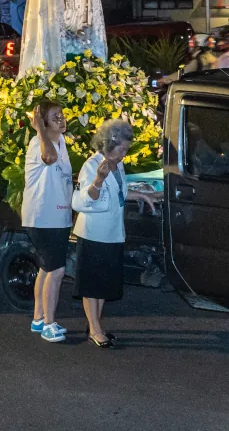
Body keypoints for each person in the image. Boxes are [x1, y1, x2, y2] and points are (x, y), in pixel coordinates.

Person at [72, 120, 155, 349]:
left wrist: (140, 195)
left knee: (102, 283)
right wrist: (98, 179)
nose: (124, 154)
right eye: (122, 149)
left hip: (111, 232)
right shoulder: (93, 165)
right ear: (109, 144)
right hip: (94, 232)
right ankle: (95, 329)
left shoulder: (117, 165)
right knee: (91, 284)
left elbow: (119, 192)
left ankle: (95, 326)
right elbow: (85, 199)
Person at [21, 101, 73, 342]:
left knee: (46, 268)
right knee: (57, 270)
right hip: (43, 217)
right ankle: (50, 324)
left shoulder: (62, 142)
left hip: (57, 216)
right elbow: (49, 158)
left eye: (61, 115)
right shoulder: (38, 143)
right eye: (54, 117)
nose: (61, 119)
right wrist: (39, 129)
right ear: (43, 122)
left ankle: (38, 318)